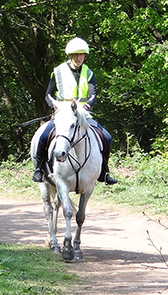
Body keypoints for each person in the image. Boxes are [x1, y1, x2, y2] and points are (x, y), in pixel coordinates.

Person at [32, 37, 117, 185]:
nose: (78, 58)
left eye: (81, 55)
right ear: (70, 55)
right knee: (44, 135)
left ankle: (104, 171)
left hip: (82, 114)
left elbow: (92, 95)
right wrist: (57, 106)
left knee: (107, 137)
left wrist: (85, 107)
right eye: (75, 55)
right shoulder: (58, 72)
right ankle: (39, 169)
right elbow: (48, 95)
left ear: (85, 55)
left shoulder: (89, 73)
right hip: (63, 114)